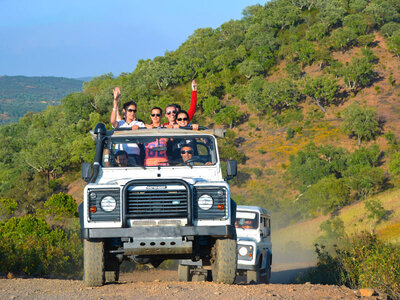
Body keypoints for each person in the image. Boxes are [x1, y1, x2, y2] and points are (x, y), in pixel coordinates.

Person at [110, 87, 145, 165]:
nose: (132, 113)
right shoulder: (120, 123)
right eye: (130, 110)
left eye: (134, 111)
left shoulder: (139, 124)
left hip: (133, 155)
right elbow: (113, 122)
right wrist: (115, 103)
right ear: (124, 111)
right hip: (119, 156)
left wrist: (138, 130)